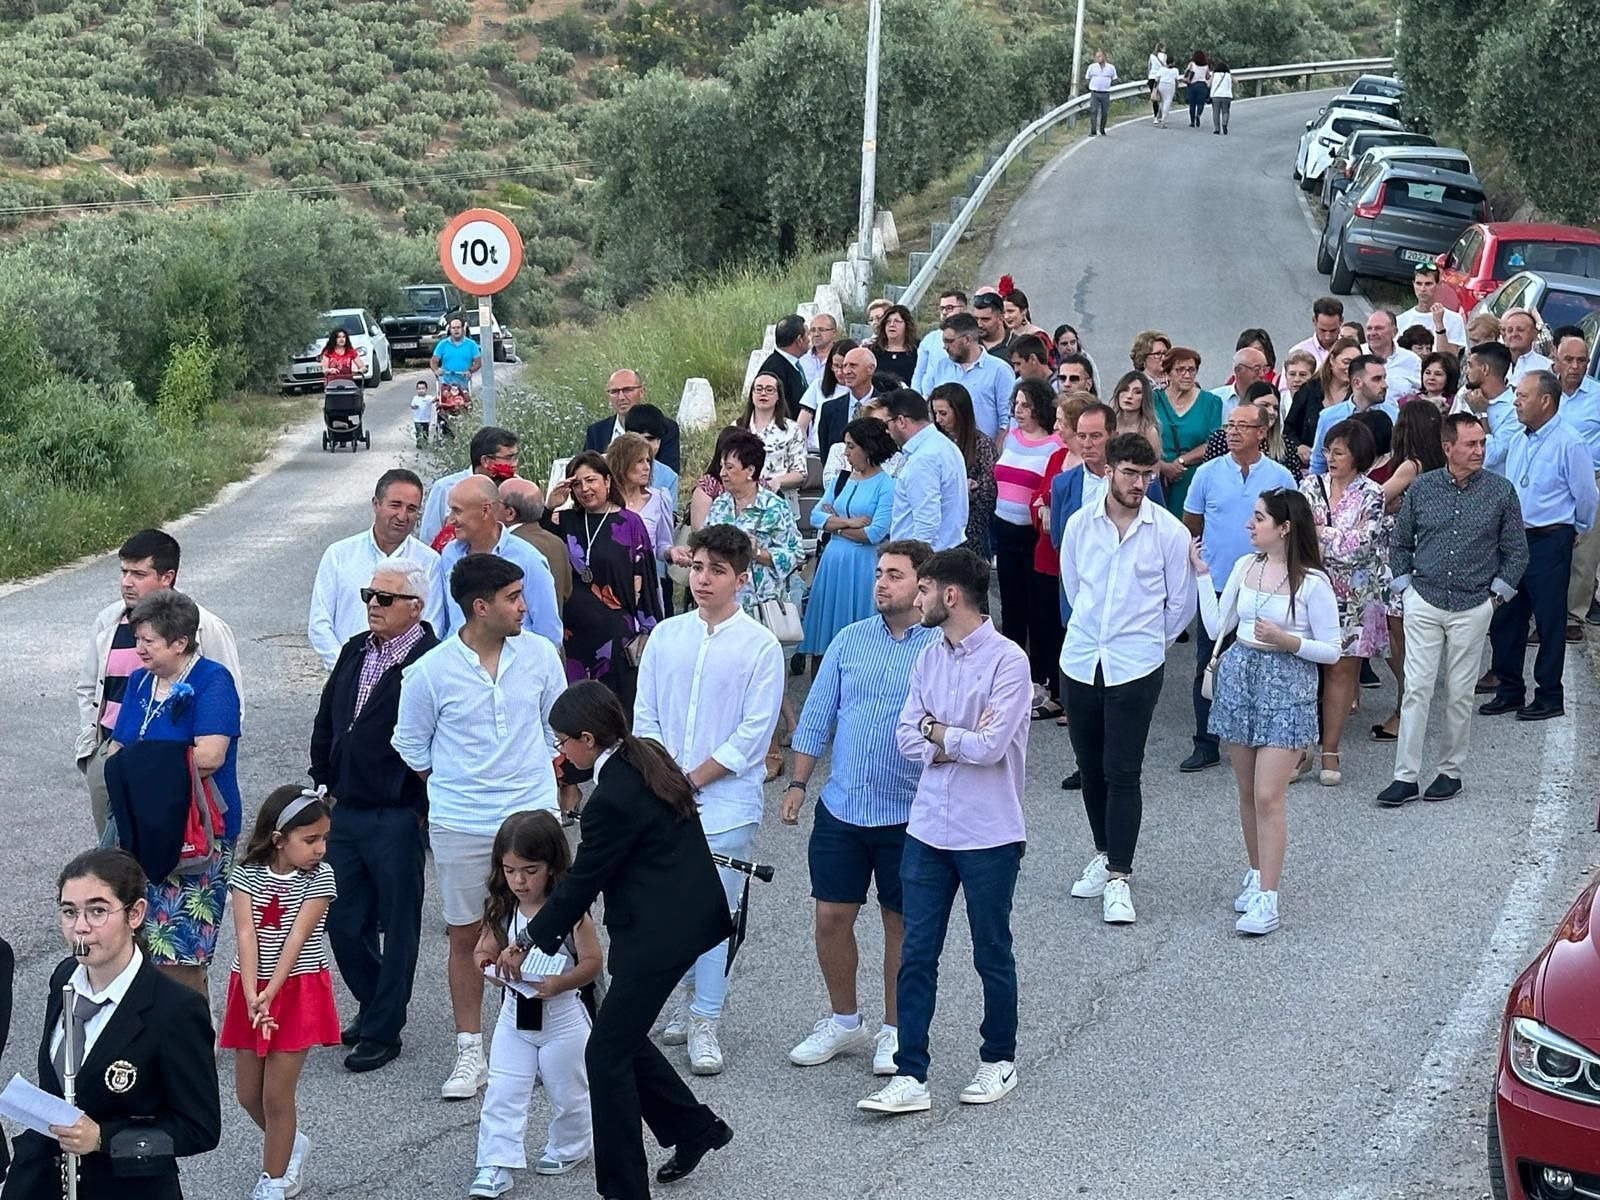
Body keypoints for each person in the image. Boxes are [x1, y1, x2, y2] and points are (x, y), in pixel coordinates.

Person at [504, 682, 734, 1200]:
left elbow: (585, 877)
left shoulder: (611, 797)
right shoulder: (643, 756)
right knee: (618, 1036)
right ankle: (696, 1129)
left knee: (605, 1055)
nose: (560, 752)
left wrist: (527, 941)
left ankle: (623, 1190)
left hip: (657, 935)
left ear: (588, 739)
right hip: (679, 921)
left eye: (563, 741)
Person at [860, 549, 1029, 1116]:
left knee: (991, 951)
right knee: (916, 954)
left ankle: (998, 1059)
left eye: (925, 588)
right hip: (928, 827)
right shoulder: (928, 658)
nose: (918, 597)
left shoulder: (1009, 663)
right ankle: (912, 1074)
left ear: (949, 595)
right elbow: (906, 738)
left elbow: (991, 748)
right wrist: (949, 734)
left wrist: (940, 734)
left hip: (989, 833)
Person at [393, 553, 567, 1101]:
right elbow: (411, 746)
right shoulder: (428, 672)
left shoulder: (540, 654)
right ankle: (472, 1050)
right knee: (467, 934)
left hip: (534, 814)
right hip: (462, 822)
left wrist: (530, 777)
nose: (525, 606)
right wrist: (458, 786)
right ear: (480, 606)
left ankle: (541, 1041)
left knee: (547, 928)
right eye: (514, 597)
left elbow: (555, 725)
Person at [634, 526, 784, 1076]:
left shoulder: (760, 646)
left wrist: (692, 779)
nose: (702, 579)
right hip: (661, 796)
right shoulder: (667, 637)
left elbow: (751, 735)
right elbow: (644, 715)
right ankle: (686, 1001)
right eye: (697, 567)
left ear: (741, 579)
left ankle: (706, 1021)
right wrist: (659, 777)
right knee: (667, 912)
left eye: (717, 571)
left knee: (713, 915)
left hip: (725, 803)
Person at [783, 540, 937, 1076]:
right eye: (879, 573)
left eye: (894, 575)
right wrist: (798, 784)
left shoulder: (939, 647)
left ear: (922, 586)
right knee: (831, 915)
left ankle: (896, 1031)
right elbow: (817, 716)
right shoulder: (850, 641)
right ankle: (845, 1021)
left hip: (910, 815)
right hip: (843, 808)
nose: (880, 583)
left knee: (900, 924)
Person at [1, 849, 220, 1200]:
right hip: (42, 1181)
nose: (81, 927)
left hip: (125, 1189)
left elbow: (200, 1129)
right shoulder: (64, 978)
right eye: (69, 912)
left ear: (135, 914)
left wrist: (104, 1138)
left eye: (98, 911)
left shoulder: (176, 1008)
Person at [1060, 433, 1194, 925]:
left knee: (1122, 769)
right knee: (1089, 766)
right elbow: (1073, 587)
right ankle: (1103, 850)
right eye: (1131, 473)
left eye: (1148, 475)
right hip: (1080, 660)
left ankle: (1120, 875)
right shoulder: (1080, 525)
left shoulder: (1169, 533)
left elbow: (1180, 605)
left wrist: (1146, 643)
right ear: (1111, 470)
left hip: (1135, 665)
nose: (1140, 483)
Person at [310, 560, 437, 1073]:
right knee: (342, 920)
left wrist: (419, 803)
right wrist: (322, 775)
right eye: (369, 594)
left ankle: (384, 1029)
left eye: (385, 598)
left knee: (399, 923)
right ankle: (377, 1001)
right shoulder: (354, 650)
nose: (373, 605)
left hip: (397, 811)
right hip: (345, 809)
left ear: (415, 606)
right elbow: (329, 717)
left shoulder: (430, 661)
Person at [1194, 490, 1340, 936]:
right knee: (1244, 789)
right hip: (1241, 678)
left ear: (1284, 527)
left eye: (1258, 518)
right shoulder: (1244, 567)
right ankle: (1257, 875)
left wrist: (1289, 641)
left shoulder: (1313, 584)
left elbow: (1333, 651)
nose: (1249, 525)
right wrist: (1202, 576)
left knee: (1268, 795)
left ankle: (1269, 899)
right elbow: (1219, 624)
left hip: (1287, 685)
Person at [1376, 413, 1527, 806]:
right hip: (1423, 599)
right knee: (1417, 689)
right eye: (1470, 444)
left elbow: (1516, 551)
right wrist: (1405, 588)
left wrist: (1494, 600)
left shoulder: (1501, 491)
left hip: (1473, 605)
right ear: (1448, 447)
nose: (1479, 451)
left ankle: (1450, 772)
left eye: (1481, 443)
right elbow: (1400, 544)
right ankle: (1405, 776)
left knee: (1460, 692)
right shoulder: (1422, 489)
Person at [103, 588, 242, 996]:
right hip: (142, 826)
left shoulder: (212, 681)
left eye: (148, 641)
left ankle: (193, 1044)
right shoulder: (141, 681)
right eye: (137, 639)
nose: (138, 649)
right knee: (134, 943)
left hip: (195, 830)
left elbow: (210, 755)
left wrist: (141, 765)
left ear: (180, 642)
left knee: (181, 954)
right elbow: (118, 746)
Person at [76, 529, 240, 837]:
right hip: (113, 753)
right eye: (123, 571)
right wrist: (95, 746)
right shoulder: (109, 621)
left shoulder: (206, 628)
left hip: (185, 783)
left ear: (167, 577)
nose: (126, 581)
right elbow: (88, 685)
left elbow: (228, 700)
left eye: (138, 573)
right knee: (116, 855)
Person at [220, 786, 340, 1200]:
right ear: (278, 839)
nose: (320, 848)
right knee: (247, 1095)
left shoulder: (321, 878)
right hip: (252, 989)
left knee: (276, 1095)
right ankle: (290, 1143)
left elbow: (297, 937)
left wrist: (270, 991)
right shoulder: (246, 875)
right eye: (310, 840)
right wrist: (254, 993)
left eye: (324, 838)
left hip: (297, 989)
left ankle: (273, 1180)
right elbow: (245, 933)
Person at [469, 811, 599, 1197]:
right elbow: (481, 950)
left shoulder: (571, 914)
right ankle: (495, 1162)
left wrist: (561, 982)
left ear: (552, 866)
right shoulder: (503, 909)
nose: (520, 881)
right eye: (510, 871)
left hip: (563, 1020)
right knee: (503, 1090)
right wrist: (487, 967)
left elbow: (593, 963)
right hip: (514, 1017)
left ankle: (572, 1145)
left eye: (530, 870)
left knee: (569, 1090)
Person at [1182, 403, 1298, 772]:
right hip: (1217, 583)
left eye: (1243, 426)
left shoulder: (1280, 477)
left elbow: (1292, 526)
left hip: (1266, 582)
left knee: (1260, 662)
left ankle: (1254, 739)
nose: (1233, 432)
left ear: (1262, 432)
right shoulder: (1207, 473)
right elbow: (1192, 520)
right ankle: (1206, 741)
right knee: (1209, 660)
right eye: (1230, 425)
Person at [1481, 370, 1598, 721]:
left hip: (1550, 539)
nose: (1516, 401)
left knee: (1548, 622)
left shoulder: (1570, 441)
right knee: (1506, 618)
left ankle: (1549, 695)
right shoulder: (1519, 436)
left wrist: (1575, 529)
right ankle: (1509, 688)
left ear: (1545, 401)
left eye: (1523, 396)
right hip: (1514, 539)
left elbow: (1587, 497)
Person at [1300, 419, 1390, 786]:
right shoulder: (1309, 485)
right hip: (1310, 590)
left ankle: (1330, 750)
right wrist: (1331, 537)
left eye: (1339, 452)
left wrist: (1322, 535)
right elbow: (1300, 534)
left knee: (1340, 671)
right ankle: (1300, 748)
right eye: (1328, 450)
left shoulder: (1373, 493)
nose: (1331, 458)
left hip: (1355, 598)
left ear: (1358, 456)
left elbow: (1363, 546)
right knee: (1306, 670)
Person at [307, 468, 443, 669]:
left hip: (404, 679)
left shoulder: (429, 561)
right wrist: (345, 667)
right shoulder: (339, 554)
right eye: (395, 505)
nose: (402, 515)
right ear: (376, 504)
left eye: (412, 509)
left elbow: (432, 625)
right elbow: (319, 623)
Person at [1370, 402, 1447, 741]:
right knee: (1407, 639)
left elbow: (1373, 500)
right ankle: (1408, 706)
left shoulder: (1410, 466)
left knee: (1399, 641)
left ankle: (1406, 709)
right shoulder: (1440, 465)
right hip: (1426, 556)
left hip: (1398, 560)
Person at [992, 379, 1065, 712]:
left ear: (1040, 407)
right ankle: (1010, 675)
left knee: (1037, 608)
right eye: (1016, 404)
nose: (1018, 411)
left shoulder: (1053, 445)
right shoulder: (1011, 438)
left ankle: (1040, 677)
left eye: (1025, 405)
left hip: (1032, 535)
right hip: (1003, 529)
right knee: (1010, 607)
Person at [798, 418, 898, 660]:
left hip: (862, 566)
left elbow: (874, 534)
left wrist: (835, 526)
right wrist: (850, 523)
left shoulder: (887, 486)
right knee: (823, 640)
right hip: (832, 563)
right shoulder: (841, 480)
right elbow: (815, 515)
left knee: (859, 638)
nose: (846, 452)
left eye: (851, 446)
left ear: (868, 448)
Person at [436, 475, 564, 650]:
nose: (450, 520)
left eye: (457, 511)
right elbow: (446, 619)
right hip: (458, 665)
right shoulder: (450, 553)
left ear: (485, 510)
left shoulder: (528, 559)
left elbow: (549, 632)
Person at [704, 430, 804, 623]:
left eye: (730, 467)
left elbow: (796, 554)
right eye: (722, 466)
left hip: (762, 608)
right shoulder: (720, 504)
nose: (723, 473)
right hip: (723, 603)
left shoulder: (774, 508)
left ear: (750, 470)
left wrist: (756, 552)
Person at [1552, 329, 1600, 626]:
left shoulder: (1597, 396)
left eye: (1581, 360)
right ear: (1555, 360)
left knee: (1584, 550)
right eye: (1568, 359)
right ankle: (1543, 613)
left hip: (1590, 478)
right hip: (1549, 478)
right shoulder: (1542, 391)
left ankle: (1572, 616)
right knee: (1549, 546)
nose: (1574, 366)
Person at [886, 388, 971, 551]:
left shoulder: (924, 458)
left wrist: (915, 563)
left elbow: (927, 523)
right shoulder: (943, 445)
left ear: (901, 421)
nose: (887, 431)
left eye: (887, 423)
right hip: (944, 551)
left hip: (923, 558)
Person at [608, 433, 678, 618]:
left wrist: (671, 552)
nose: (646, 467)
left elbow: (662, 545)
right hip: (611, 585)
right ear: (623, 463)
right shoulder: (605, 502)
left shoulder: (659, 498)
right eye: (639, 461)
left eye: (648, 461)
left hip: (647, 585)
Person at [920, 312, 1015, 448]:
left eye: (949, 341)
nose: (945, 347)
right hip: (945, 449)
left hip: (982, 451)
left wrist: (995, 453)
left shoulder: (1000, 370)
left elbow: (1006, 420)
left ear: (967, 340)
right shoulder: (940, 367)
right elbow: (928, 407)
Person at [930, 382, 1000, 558]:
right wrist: (961, 487)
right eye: (935, 413)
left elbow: (988, 492)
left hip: (970, 531)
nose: (938, 419)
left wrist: (959, 492)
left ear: (960, 412)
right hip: (939, 527)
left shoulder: (981, 444)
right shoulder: (934, 442)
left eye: (943, 413)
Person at [421, 426, 521, 546]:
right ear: (486, 461)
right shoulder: (445, 488)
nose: (515, 464)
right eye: (509, 458)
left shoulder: (516, 488)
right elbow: (428, 538)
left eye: (516, 457)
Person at [1154, 345, 1224, 515]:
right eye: (1180, 370)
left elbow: (1212, 443)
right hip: (1158, 475)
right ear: (1168, 372)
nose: (1187, 375)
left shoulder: (1211, 402)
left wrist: (1181, 461)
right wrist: (1164, 467)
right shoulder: (1153, 400)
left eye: (1192, 370)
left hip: (1192, 476)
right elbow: (1141, 439)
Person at [1309, 354, 1399, 475]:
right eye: (1377, 379)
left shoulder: (1394, 415)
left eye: (1384, 378)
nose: (1384, 385)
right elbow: (1318, 462)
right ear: (1357, 383)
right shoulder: (1329, 417)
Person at [581, 370, 682, 475]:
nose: (621, 397)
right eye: (614, 392)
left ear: (642, 392)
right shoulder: (596, 431)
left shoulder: (666, 426)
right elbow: (586, 470)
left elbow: (669, 472)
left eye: (627, 390)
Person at [736, 372, 809, 511]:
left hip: (779, 504)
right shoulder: (737, 427)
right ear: (752, 395)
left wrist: (778, 481)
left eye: (769, 390)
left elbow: (800, 473)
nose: (763, 393)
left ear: (778, 397)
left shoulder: (792, 429)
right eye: (758, 389)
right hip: (743, 503)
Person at [500, 478, 573, 613]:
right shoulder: (556, 542)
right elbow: (566, 591)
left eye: (496, 503)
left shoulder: (509, 547)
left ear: (510, 513)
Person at [1284, 337, 1361, 465]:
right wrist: (1299, 446)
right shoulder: (1309, 389)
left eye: (1356, 363)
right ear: (1332, 360)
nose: (1351, 368)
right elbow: (1289, 427)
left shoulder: (1359, 394)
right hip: (1308, 465)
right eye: (1346, 362)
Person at [1460, 341, 1520, 473]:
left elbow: (1490, 458)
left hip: (1495, 489)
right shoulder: (1467, 396)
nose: (1466, 371)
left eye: (1470, 366)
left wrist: (1481, 415)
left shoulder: (1514, 409)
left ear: (1485, 369)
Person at [816, 345, 880, 467]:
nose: (846, 371)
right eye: (845, 365)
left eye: (853, 366)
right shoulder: (829, 409)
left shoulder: (886, 407)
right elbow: (825, 456)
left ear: (870, 369)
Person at [1396, 263, 1467, 355]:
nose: (1423, 289)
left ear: (1438, 285)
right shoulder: (1401, 320)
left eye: (1428, 284)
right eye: (1419, 284)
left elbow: (1450, 358)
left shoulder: (1454, 319)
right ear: (1413, 285)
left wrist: (1439, 325)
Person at [797, 337, 857, 448]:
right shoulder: (818, 386)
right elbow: (801, 424)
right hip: (817, 449)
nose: (839, 372)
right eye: (836, 366)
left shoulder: (857, 392)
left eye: (844, 366)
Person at [431, 317, 482, 436]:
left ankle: (465, 430)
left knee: (464, 406)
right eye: (453, 328)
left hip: (463, 383)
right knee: (444, 405)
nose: (456, 330)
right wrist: (436, 370)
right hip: (447, 382)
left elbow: (478, 362)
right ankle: (445, 430)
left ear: (462, 329)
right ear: (450, 329)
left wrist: (470, 370)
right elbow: (434, 361)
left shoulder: (471, 345)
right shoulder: (443, 344)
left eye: (458, 327)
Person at [756, 315, 811, 420]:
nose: (809, 340)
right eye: (807, 335)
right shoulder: (774, 370)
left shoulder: (789, 363)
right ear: (799, 340)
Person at [912, 291, 968, 392]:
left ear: (963, 309)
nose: (944, 312)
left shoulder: (972, 337)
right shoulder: (929, 340)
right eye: (942, 308)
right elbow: (919, 374)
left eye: (949, 308)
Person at [1363, 310, 1423, 403]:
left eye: (1379, 328)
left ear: (1394, 332)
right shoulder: (1357, 353)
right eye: (1369, 328)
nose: (1372, 333)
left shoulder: (1412, 360)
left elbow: (1418, 395)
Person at [622, 403, 681, 494]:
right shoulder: (606, 468)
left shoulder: (669, 477)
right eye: (648, 439)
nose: (655, 446)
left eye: (658, 440)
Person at [1110, 369, 1163, 455]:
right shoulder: (1109, 424)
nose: (1129, 396)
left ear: (1145, 398)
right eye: (1125, 389)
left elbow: (1154, 465)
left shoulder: (1149, 431)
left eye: (1137, 392)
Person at [1214, 347, 1270, 421]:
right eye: (1257, 369)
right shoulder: (1215, 399)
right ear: (1238, 371)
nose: (1262, 374)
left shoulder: (1270, 399)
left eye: (1264, 369)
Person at [1288, 296, 1346, 368]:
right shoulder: (1297, 352)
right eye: (1323, 330)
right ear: (1314, 320)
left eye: (1333, 330)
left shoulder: (1352, 351)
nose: (1327, 337)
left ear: (1341, 321)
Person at [1502, 309, 1553, 386]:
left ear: (1534, 334)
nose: (1514, 334)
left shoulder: (1546, 367)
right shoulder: (1496, 365)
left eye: (1520, 330)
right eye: (1510, 330)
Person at [998, 283, 1052, 354]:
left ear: (1023, 311)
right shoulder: (1004, 336)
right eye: (1003, 312)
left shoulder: (1038, 336)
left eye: (1010, 311)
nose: (1006, 316)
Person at [873, 305, 919, 385]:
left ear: (907, 325)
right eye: (888, 321)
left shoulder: (918, 349)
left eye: (897, 321)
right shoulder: (875, 349)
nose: (891, 325)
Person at [972, 291, 1014, 360]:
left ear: (1000, 318)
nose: (979, 325)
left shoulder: (1016, 345)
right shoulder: (969, 343)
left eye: (985, 320)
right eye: (976, 319)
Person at [1086, 49, 1117, 136]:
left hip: (1105, 93)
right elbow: (1087, 78)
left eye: (1099, 56)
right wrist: (1092, 86)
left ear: (1104, 57)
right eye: (1096, 57)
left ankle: (1102, 128)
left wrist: (1107, 85)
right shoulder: (1092, 67)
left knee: (1104, 112)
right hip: (1095, 92)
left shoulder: (1111, 68)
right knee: (1093, 111)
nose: (1098, 58)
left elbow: (1114, 78)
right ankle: (1093, 130)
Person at [801, 312, 838, 384]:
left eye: (821, 329)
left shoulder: (842, 358)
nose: (816, 334)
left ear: (834, 333)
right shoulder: (802, 359)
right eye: (813, 330)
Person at [1182, 49, 1210, 128]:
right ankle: (1198, 115)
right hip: (1202, 85)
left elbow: (1186, 72)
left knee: (1192, 104)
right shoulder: (1206, 66)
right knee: (1201, 103)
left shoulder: (1192, 64)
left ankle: (1192, 121)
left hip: (1192, 85)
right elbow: (1207, 77)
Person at [1153, 56, 1180, 128]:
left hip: (1162, 85)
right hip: (1170, 86)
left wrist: (1155, 88)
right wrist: (1176, 90)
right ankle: (1163, 120)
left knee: (1162, 102)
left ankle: (1160, 116)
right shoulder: (1175, 70)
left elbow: (1157, 79)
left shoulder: (1162, 69)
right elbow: (1176, 81)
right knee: (1167, 102)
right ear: (1173, 62)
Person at [1209, 57, 1233, 133]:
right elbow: (1236, 81)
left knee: (1216, 112)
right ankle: (1224, 124)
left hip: (1216, 95)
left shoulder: (1214, 74)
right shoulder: (1228, 75)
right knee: (1226, 111)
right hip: (1226, 95)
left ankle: (1217, 129)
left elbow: (1209, 84)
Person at [409, 380, 435, 447]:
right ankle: (419, 443)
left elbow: (433, 400)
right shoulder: (415, 398)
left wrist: (437, 397)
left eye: (423, 388)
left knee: (425, 432)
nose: (421, 390)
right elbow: (412, 405)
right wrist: (414, 406)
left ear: (426, 389)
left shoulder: (428, 398)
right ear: (417, 390)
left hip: (426, 419)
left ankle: (425, 442)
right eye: (419, 389)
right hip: (417, 419)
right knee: (419, 432)